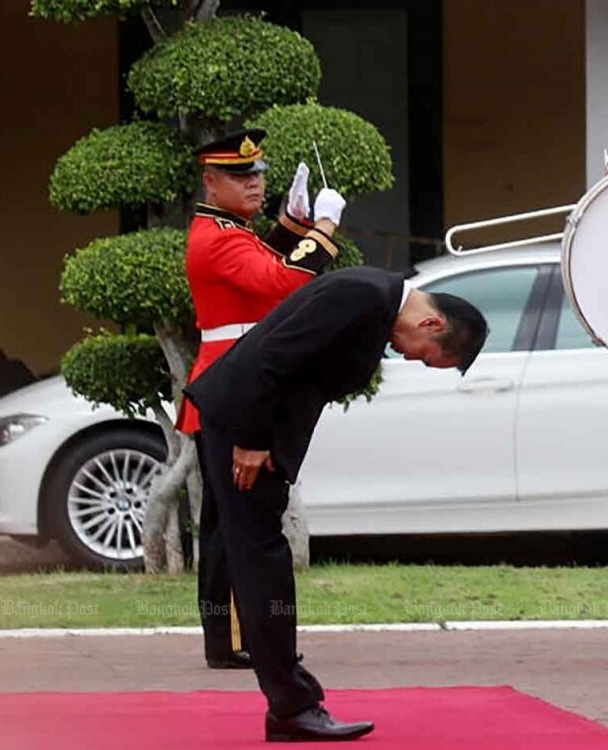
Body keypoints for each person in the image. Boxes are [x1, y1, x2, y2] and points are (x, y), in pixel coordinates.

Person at [185, 267, 487, 741]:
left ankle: (291, 702)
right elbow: (270, 358)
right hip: (246, 433)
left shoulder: (373, 302)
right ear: (433, 325)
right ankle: (290, 707)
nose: (412, 360)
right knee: (262, 562)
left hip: (251, 432)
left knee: (257, 557)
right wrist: (252, 439)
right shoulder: (363, 296)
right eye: (427, 359)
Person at [176, 128, 347, 671]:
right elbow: (283, 281)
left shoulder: (230, 228)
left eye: (258, 173)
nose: (254, 183)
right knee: (237, 525)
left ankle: (231, 639)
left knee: (229, 524)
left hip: (229, 386)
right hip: (231, 392)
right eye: (239, 175)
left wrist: (292, 222)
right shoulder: (219, 236)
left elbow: (260, 265)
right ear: (210, 180)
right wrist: (323, 229)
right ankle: (233, 639)